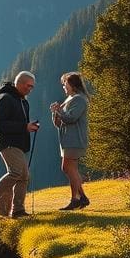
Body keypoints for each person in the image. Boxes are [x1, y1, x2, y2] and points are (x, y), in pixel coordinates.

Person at [0, 71, 40, 218]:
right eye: (28, 86)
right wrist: (24, 127)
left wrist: (28, 126)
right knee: (16, 173)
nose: (30, 89)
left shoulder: (22, 101)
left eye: (32, 87)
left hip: (18, 144)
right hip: (8, 143)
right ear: (19, 83)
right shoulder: (5, 98)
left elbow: (19, 123)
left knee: (23, 176)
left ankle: (17, 210)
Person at [50, 72, 90, 210]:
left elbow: (71, 118)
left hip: (74, 139)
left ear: (72, 84)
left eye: (65, 84)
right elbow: (59, 123)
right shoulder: (70, 99)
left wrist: (60, 112)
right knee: (67, 168)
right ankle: (82, 198)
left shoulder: (79, 99)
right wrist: (55, 112)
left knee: (69, 168)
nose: (63, 87)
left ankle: (76, 199)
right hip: (67, 140)